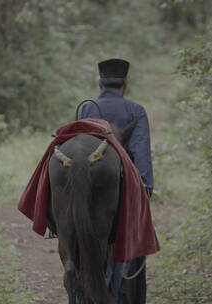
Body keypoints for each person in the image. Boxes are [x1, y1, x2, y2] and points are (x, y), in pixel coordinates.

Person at [78, 58, 153, 303]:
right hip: (124, 187)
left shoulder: (85, 110)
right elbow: (140, 157)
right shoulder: (136, 111)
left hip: (85, 188)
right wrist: (145, 191)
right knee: (130, 243)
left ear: (100, 84)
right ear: (125, 85)